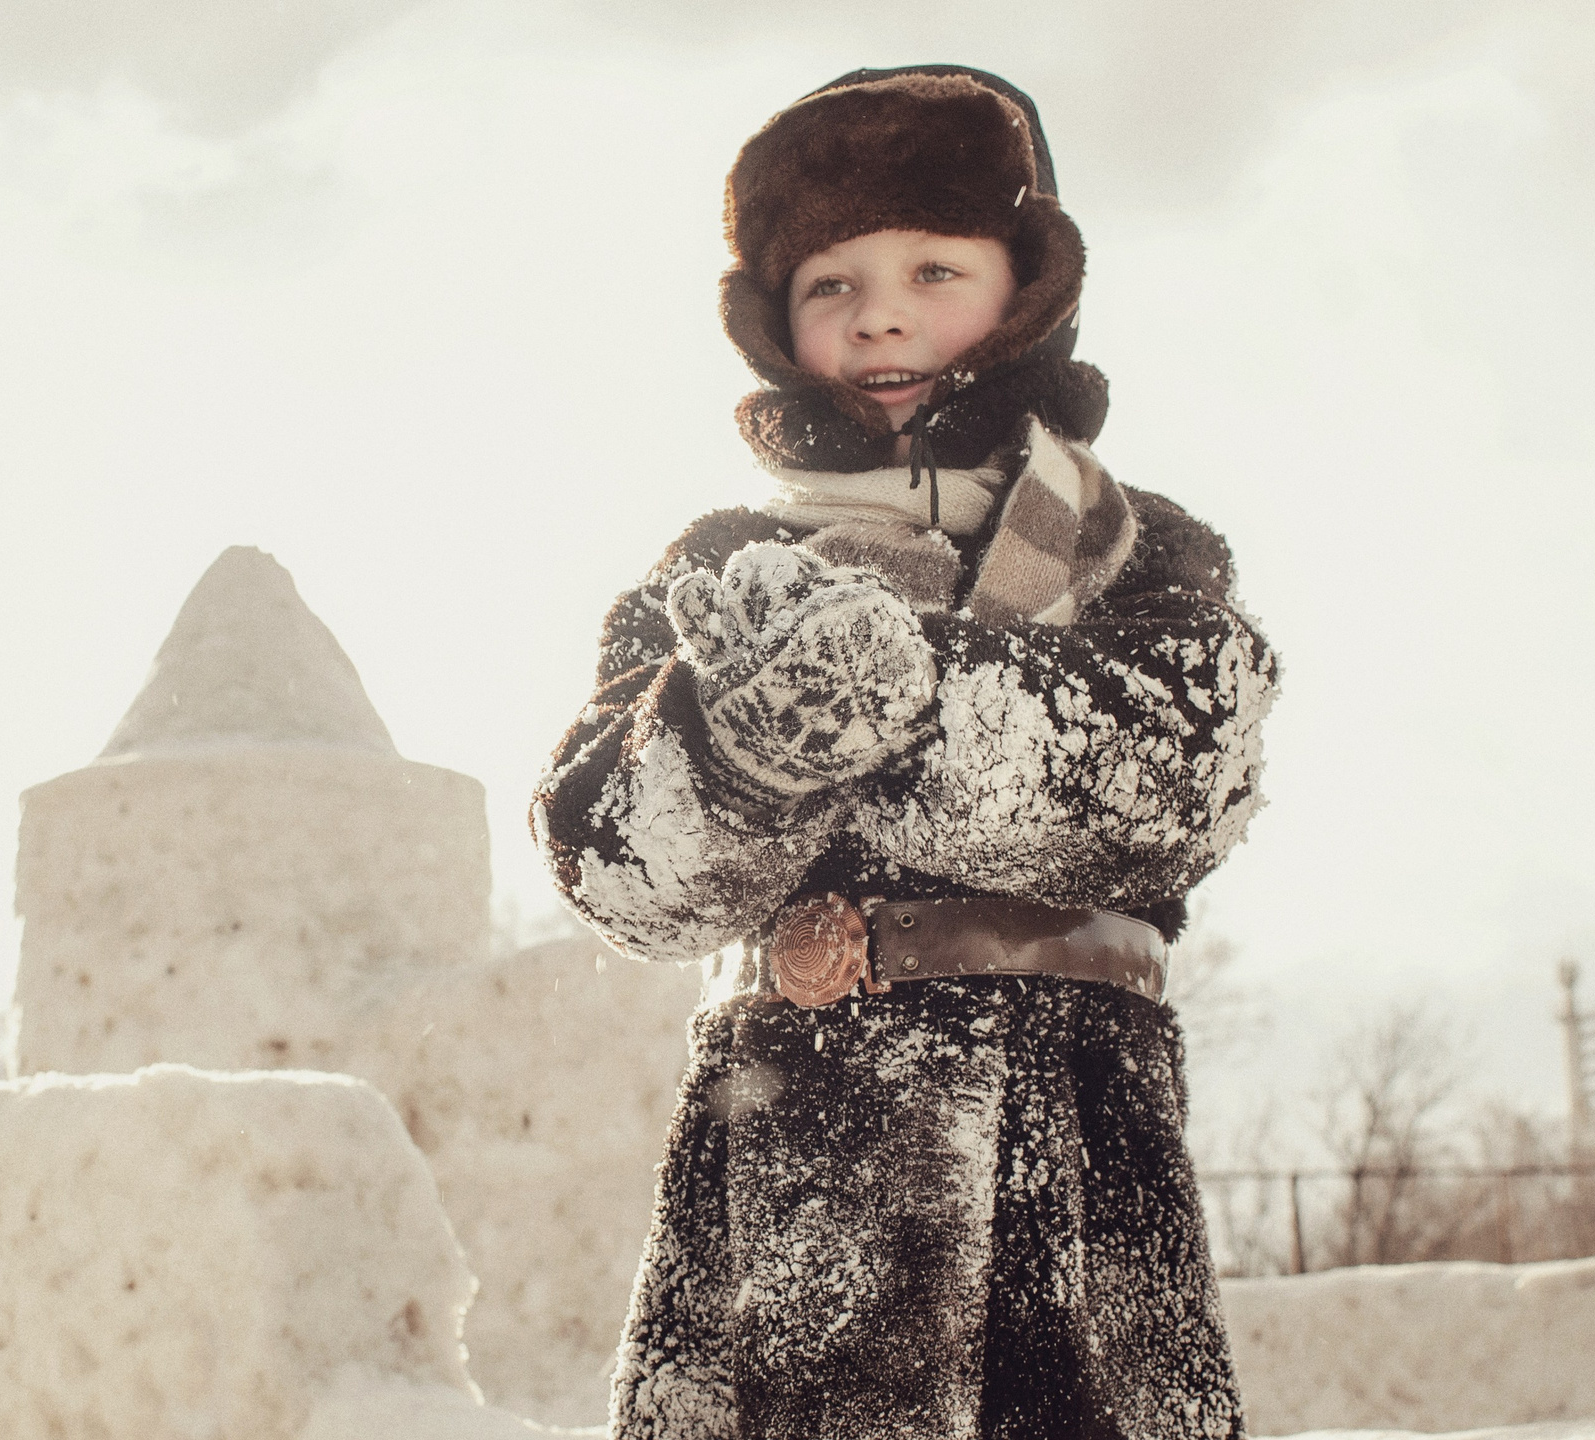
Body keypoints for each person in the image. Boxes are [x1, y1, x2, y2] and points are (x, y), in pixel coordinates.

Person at [533, 64, 1276, 1440]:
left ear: (1027, 289)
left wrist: (887, 697)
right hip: (799, 1152)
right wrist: (742, 758)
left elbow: (1178, 773)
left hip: (1081, 1149)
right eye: (832, 282)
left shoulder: (1144, 552)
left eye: (934, 267)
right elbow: (619, 870)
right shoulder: (721, 572)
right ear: (778, 323)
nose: (880, 309)